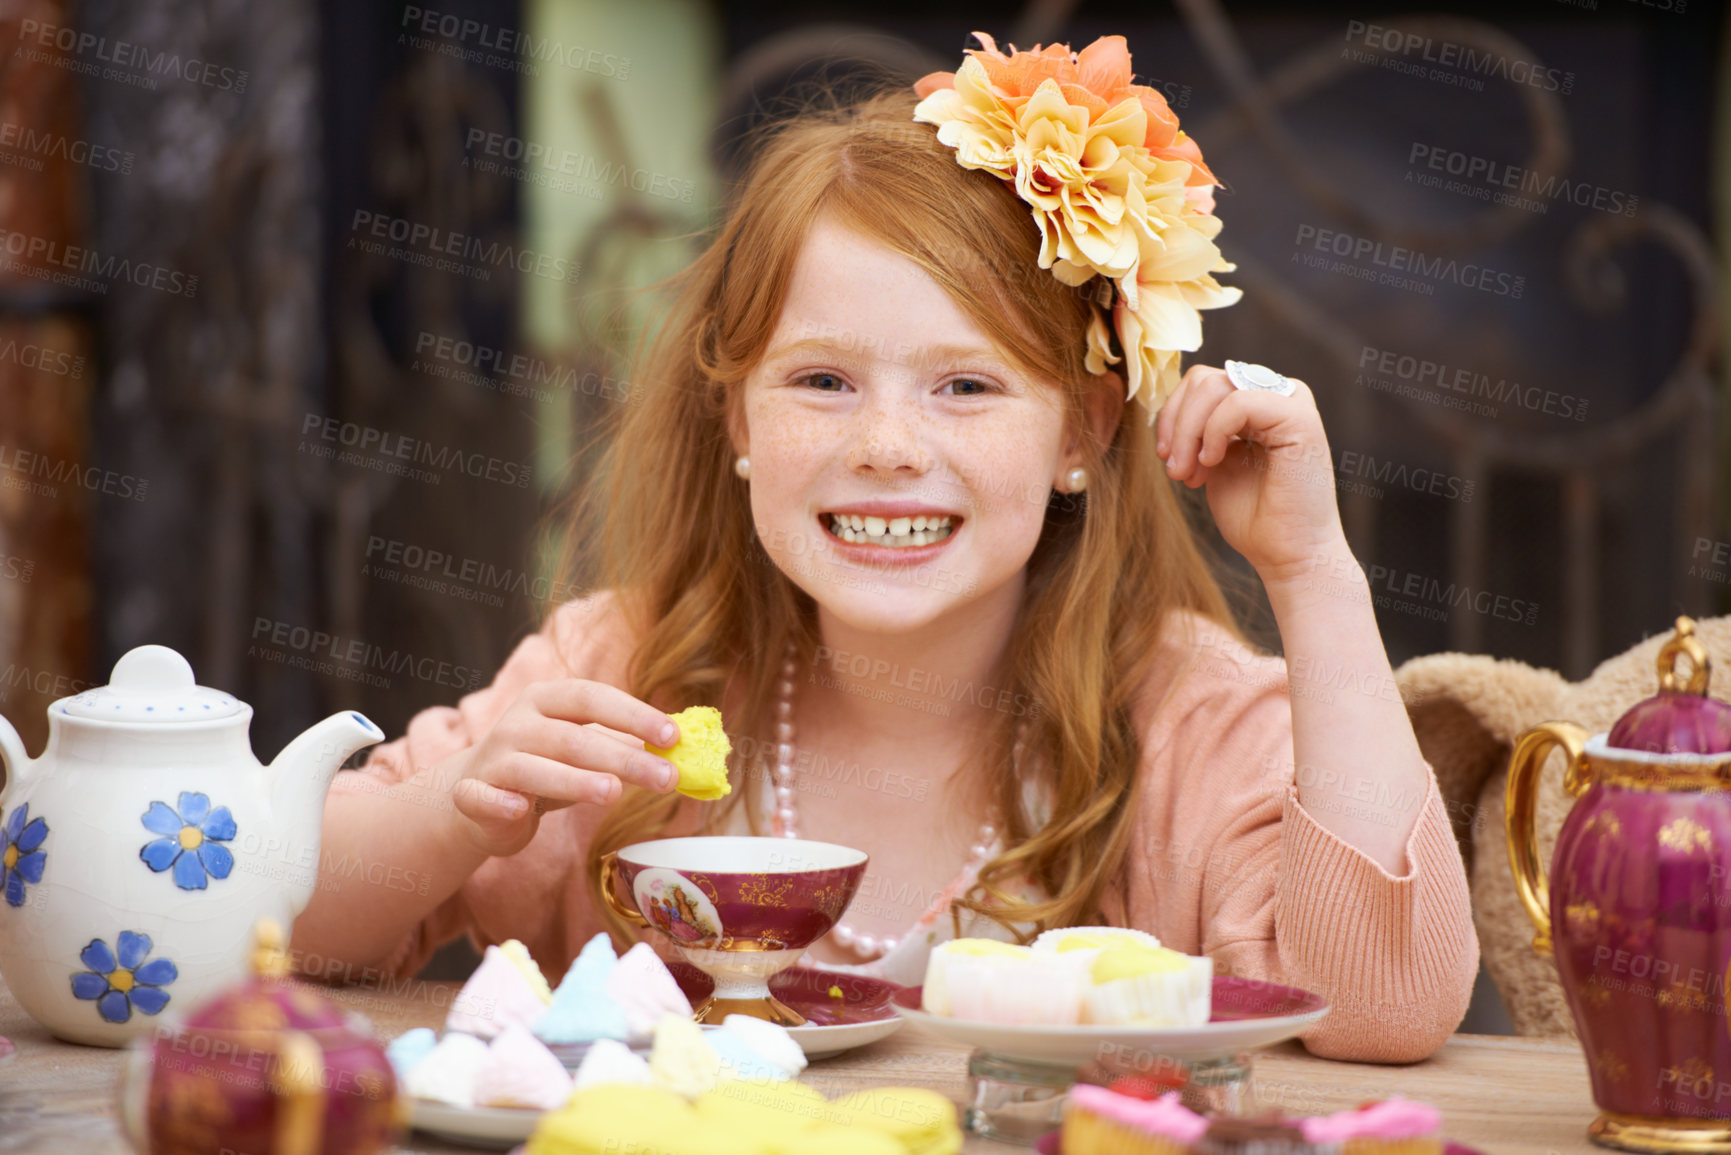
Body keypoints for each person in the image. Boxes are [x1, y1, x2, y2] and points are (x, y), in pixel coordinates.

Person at [291, 32, 1477, 1063]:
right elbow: (287, 927)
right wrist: (456, 811)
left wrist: (1313, 574)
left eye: (966, 385)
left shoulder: (1192, 720)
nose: (890, 446)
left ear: (1083, 430)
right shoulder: (617, 674)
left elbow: (1382, 1014)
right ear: (738, 417)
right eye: (821, 381)